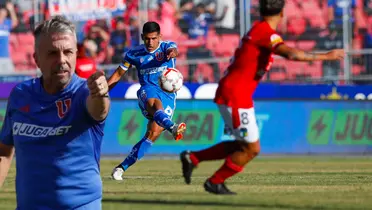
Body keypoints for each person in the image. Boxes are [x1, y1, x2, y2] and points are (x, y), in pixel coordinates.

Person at [180, 0, 345, 195]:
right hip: (235, 95)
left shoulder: (259, 30)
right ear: (282, 13)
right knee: (251, 149)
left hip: (236, 93)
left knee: (243, 145)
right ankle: (215, 181)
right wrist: (327, 56)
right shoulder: (265, 33)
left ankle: (194, 158)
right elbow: (291, 55)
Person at [0, 16, 110, 209]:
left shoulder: (84, 93)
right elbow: (3, 152)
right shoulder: (20, 95)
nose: (62, 60)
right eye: (52, 53)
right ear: (36, 59)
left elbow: (99, 110)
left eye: (68, 52)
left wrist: (100, 94)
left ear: (76, 54)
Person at [108, 21, 186, 181]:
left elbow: (174, 50)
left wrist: (172, 53)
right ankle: (172, 127)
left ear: (160, 37)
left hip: (168, 95)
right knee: (154, 104)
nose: (150, 42)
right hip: (147, 90)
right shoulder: (133, 54)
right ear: (142, 37)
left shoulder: (166, 47)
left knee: (152, 134)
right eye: (147, 39)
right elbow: (118, 74)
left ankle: (121, 168)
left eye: (154, 38)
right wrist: (104, 91)